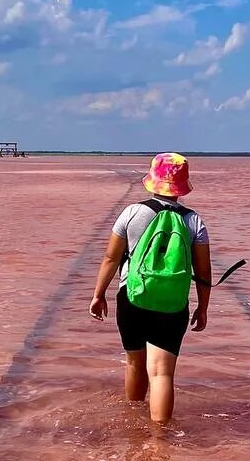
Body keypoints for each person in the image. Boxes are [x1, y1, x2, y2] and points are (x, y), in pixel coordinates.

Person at [90, 153, 211, 425]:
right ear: (182, 186)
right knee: (162, 374)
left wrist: (98, 295)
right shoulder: (194, 222)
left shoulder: (132, 213)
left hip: (132, 299)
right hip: (172, 303)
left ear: (152, 181)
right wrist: (203, 309)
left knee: (134, 362)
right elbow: (204, 273)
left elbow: (110, 258)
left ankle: (133, 427)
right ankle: (160, 442)